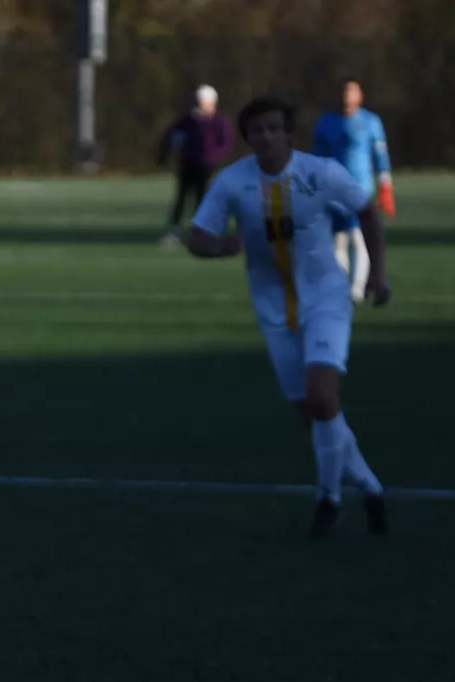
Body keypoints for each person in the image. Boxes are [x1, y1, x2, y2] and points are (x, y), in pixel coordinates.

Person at [187, 97, 392, 539]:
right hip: (274, 311)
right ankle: (372, 489)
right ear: (248, 138)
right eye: (256, 130)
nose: (266, 136)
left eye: (273, 128)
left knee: (322, 399)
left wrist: (377, 272)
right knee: (315, 415)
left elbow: (367, 210)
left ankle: (328, 499)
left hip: (326, 300)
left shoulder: (320, 173)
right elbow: (198, 236)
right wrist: (219, 246)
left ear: (288, 134)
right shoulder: (233, 182)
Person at [310, 79, 394, 302]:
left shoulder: (370, 122)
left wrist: (385, 185)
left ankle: (357, 289)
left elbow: (380, 155)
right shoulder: (326, 122)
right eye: (343, 91)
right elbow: (317, 157)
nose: (346, 96)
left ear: (360, 95)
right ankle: (340, 286)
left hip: (361, 189)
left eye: (351, 91)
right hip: (333, 189)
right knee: (337, 240)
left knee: (359, 237)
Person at [157, 85, 234, 247]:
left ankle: (202, 232)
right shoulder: (188, 120)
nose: (201, 106)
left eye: (204, 102)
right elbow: (171, 135)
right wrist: (165, 154)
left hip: (207, 166)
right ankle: (174, 231)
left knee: (203, 199)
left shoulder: (220, 122)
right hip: (188, 164)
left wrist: (213, 157)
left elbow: (225, 144)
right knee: (182, 198)